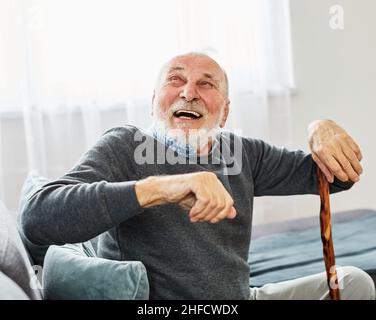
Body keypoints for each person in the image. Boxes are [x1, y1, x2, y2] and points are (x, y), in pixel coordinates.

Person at [21, 52, 375, 300]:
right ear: (154, 100)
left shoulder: (243, 152)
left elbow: (335, 177)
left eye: (206, 84)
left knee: (353, 282)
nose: (189, 92)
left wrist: (321, 129)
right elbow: (39, 218)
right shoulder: (126, 145)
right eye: (176, 79)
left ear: (224, 113)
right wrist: (164, 188)